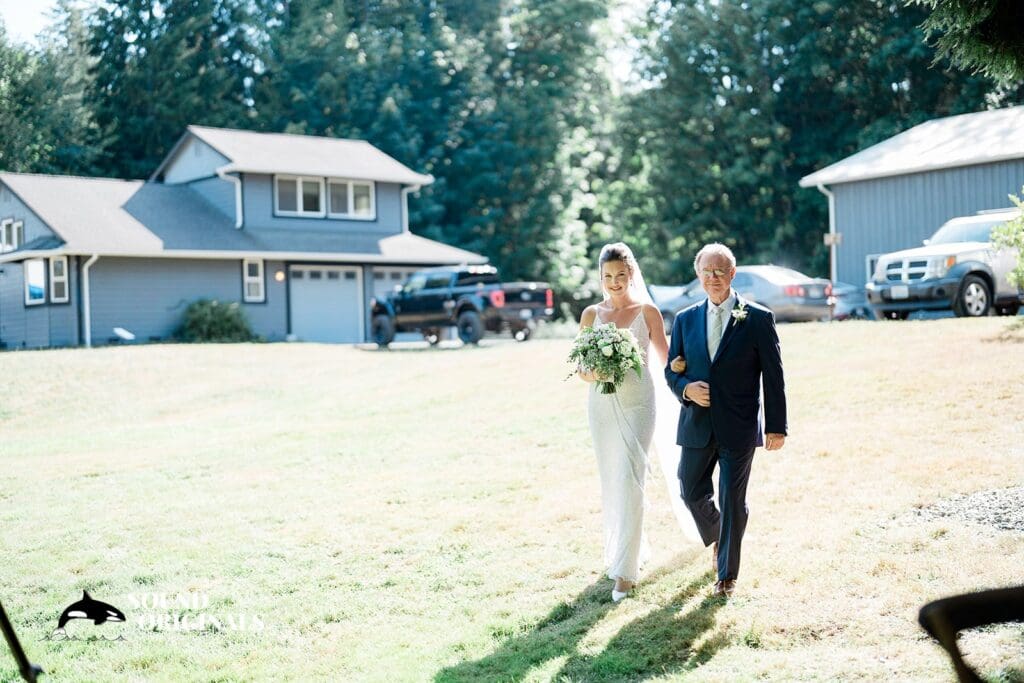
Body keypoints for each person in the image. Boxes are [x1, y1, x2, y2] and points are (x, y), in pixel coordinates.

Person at [664, 243, 787, 597]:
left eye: (720, 271)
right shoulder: (685, 319)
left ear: (732, 274)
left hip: (739, 425)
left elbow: (773, 377)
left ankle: (727, 575)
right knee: (689, 489)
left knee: (732, 498)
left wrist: (776, 427)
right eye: (707, 272)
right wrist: (687, 390)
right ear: (698, 275)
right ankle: (721, 534)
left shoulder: (759, 319)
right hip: (697, 425)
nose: (713, 278)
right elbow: (672, 371)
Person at [577, 242, 696, 602]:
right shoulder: (590, 315)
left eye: (620, 275)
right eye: (607, 276)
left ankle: (626, 574)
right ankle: (625, 550)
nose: (614, 282)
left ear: (632, 274)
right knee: (612, 479)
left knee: (631, 479)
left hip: (639, 403)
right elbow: (580, 369)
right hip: (601, 405)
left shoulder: (648, 312)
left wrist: (688, 370)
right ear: (601, 277)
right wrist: (593, 370)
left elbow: (668, 359)